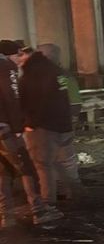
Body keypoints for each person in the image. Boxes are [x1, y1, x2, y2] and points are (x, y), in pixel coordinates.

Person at [0, 40, 63, 228]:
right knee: (27, 169)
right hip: (6, 129)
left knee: (4, 171)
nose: (19, 58)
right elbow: (12, 97)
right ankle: (39, 211)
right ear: (10, 54)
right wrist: (19, 127)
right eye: (17, 54)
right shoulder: (6, 67)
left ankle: (6, 215)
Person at [19, 43, 81, 208]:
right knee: (60, 161)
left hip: (47, 127)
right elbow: (72, 101)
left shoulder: (35, 74)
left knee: (48, 164)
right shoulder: (62, 74)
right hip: (63, 125)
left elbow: (36, 102)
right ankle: (69, 191)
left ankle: (52, 199)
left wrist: (30, 123)